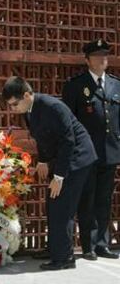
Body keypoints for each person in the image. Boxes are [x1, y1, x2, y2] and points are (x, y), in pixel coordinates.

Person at [2, 76, 97, 270]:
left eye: (14, 104)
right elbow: (42, 137)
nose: (13, 109)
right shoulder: (30, 110)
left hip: (78, 157)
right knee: (53, 203)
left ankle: (64, 258)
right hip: (63, 157)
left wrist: (59, 177)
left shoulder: (52, 106)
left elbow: (68, 140)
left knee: (61, 204)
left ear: (27, 94)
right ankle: (55, 248)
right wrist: (43, 161)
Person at [62, 39, 120, 260]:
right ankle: (88, 246)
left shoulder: (116, 85)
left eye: (105, 55)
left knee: (104, 199)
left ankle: (102, 244)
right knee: (87, 198)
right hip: (87, 153)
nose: (102, 59)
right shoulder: (76, 85)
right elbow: (69, 121)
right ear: (87, 60)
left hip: (111, 151)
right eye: (97, 55)